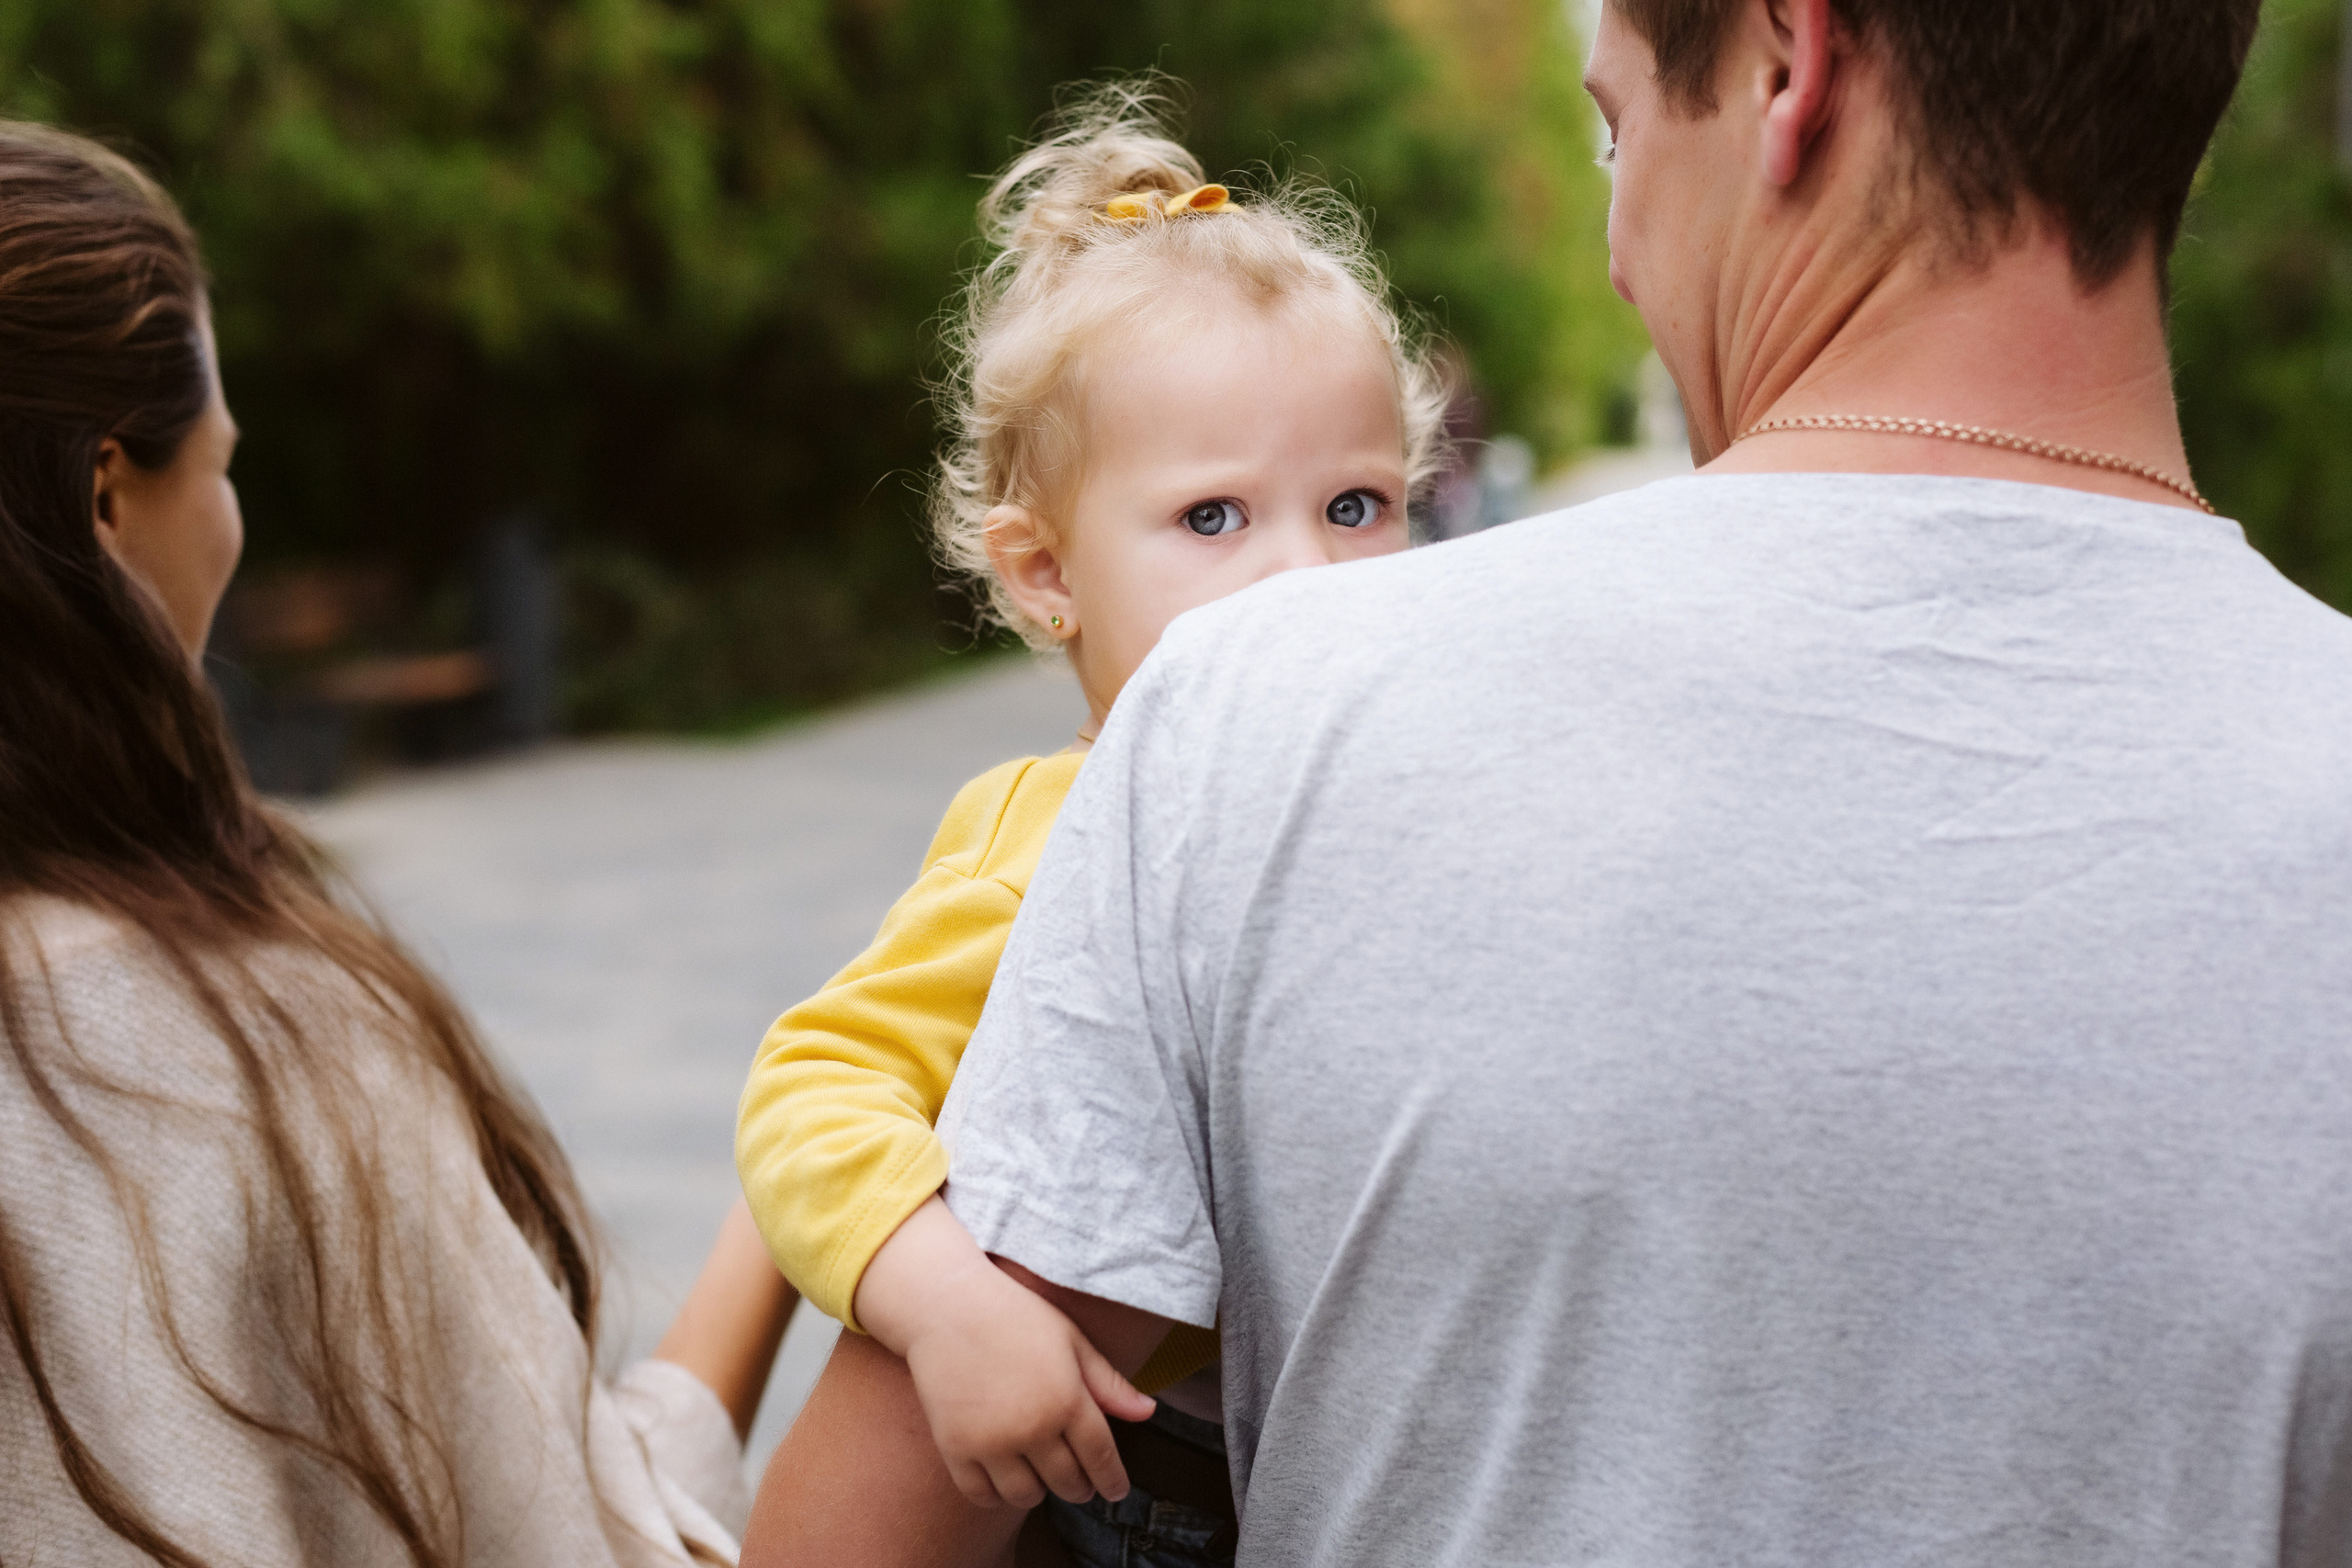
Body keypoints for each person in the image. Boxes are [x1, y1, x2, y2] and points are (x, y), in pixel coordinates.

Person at [742, 1, 2352, 1565]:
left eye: (1616, 130)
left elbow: (865, 1535)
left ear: (1792, 64)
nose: (1616, 252)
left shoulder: (1261, 715)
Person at [0, 120, 799, 1566]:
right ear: (107, 500)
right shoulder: (251, 1052)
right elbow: (574, 1537)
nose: (229, 524)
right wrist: (799, 1199)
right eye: (223, 466)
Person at [732, 84, 1443, 1567]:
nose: (1304, 575)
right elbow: (815, 1087)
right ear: (1045, 571)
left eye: (1359, 507)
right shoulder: (1048, 836)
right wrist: (950, 1304)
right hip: (1122, 1484)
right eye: (1212, 519)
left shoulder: (1408, 795)